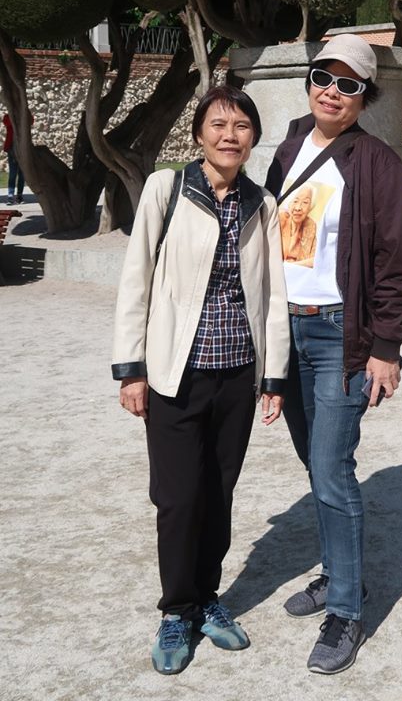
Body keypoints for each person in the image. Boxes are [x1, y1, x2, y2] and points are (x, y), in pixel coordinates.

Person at [112, 85, 290, 676]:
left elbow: (272, 295)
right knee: (178, 497)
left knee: (218, 492)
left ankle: (208, 597)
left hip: (237, 374)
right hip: (174, 373)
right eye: (218, 124)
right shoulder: (167, 190)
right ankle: (176, 609)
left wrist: (274, 375)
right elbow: (136, 279)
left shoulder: (261, 203)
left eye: (241, 126)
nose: (229, 135)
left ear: (253, 137)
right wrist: (130, 369)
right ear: (198, 133)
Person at [265, 33, 402, 675]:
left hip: (340, 335)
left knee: (331, 469)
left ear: (364, 96)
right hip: (286, 332)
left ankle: (347, 610)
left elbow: (397, 260)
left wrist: (387, 347)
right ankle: (337, 573)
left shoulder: (376, 162)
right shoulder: (290, 147)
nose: (332, 91)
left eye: (348, 83)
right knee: (315, 463)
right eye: (322, 77)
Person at [279, 183, 317, 265]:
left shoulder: (311, 225)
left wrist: (292, 266)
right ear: (289, 203)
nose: (298, 208)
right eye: (295, 201)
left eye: (305, 202)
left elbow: (315, 260)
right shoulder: (280, 219)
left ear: (310, 206)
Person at [2, 111, 26, 204]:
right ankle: (10, 195)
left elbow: (31, 121)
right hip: (11, 148)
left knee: (22, 174)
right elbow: (8, 123)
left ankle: (19, 195)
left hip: (22, 148)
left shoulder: (23, 114)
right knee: (12, 173)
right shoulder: (7, 117)